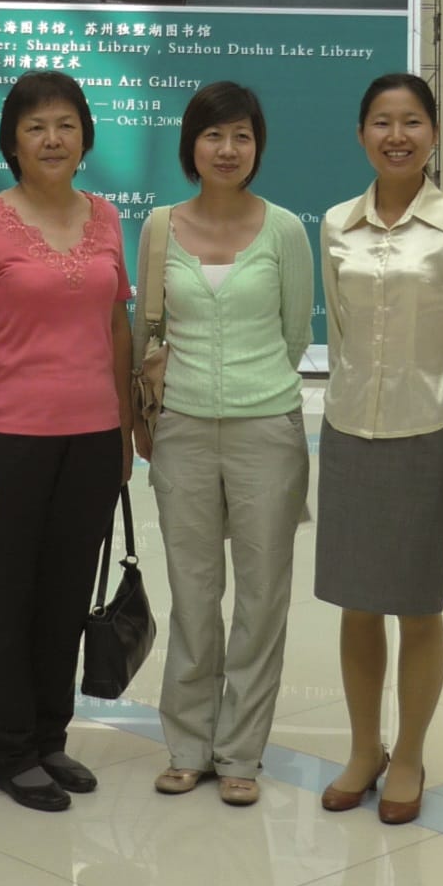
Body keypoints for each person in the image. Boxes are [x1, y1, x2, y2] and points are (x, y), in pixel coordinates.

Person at [0, 71, 134, 812]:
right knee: (5, 596)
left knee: (63, 595)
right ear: (12, 143)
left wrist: (122, 427)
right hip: (8, 439)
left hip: (90, 437)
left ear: (85, 135)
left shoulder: (108, 217)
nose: (52, 139)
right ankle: (9, 748)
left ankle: (50, 739)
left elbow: (115, 329)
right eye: (35, 127)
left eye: (64, 124)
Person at [316, 72, 443, 825]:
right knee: (358, 607)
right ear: (360, 134)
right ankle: (365, 748)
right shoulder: (333, 224)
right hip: (350, 432)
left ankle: (411, 752)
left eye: (412, 121)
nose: (397, 135)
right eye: (382, 122)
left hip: (427, 434)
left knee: (418, 608)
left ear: (433, 134)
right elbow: (341, 337)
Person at [133, 82, 312, 807]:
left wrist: (250, 385)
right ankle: (187, 745)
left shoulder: (284, 231)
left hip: (266, 425)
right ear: (191, 146)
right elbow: (146, 329)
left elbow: (294, 332)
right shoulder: (158, 227)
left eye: (241, 136)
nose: (227, 150)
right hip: (178, 427)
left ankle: (240, 752)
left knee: (262, 596)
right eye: (213, 136)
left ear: (257, 147)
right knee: (193, 592)